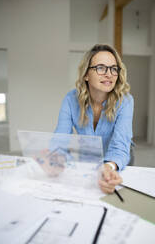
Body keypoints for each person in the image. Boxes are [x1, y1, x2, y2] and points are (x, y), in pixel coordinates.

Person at [54, 44, 134, 194]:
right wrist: (56, 159)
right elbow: (60, 139)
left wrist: (109, 167)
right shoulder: (71, 99)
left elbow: (120, 145)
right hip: (89, 158)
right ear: (86, 74)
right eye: (101, 68)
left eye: (113, 68)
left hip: (117, 160)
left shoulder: (126, 101)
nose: (109, 74)